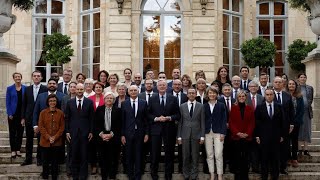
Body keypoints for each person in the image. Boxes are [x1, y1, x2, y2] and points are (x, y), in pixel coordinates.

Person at [148, 80, 180, 180]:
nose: (162, 87)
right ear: (157, 87)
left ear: (167, 87)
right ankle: (154, 174)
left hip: (169, 129)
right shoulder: (152, 98)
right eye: (160, 85)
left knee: (169, 153)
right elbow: (148, 114)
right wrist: (156, 119)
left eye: (164, 85)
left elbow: (178, 114)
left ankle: (168, 175)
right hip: (156, 130)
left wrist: (169, 118)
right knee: (154, 153)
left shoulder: (173, 98)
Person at [33, 78, 65, 166]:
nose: (52, 85)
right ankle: (41, 161)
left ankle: (58, 161)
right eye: (50, 83)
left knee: (57, 147)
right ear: (47, 85)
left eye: (54, 83)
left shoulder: (62, 96)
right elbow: (36, 110)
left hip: (57, 126)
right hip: (43, 125)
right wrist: (35, 125)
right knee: (42, 145)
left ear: (57, 85)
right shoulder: (41, 96)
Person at [65, 83, 94, 180]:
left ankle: (83, 176)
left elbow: (91, 118)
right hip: (73, 133)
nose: (79, 91)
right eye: (78, 89)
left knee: (84, 154)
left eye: (81, 89)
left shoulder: (89, 102)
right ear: (75, 90)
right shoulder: (69, 102)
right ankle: (75, 175)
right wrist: (67, 131)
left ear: (84, 90)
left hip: (85, 133)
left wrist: (91, 131)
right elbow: (67, 118)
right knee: (74, 154)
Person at [255, 88, 286, 180]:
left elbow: (283, 122)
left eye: (271, 94)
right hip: (264, 137)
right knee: (264, 159)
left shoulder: (279, 106)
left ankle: (275, 177)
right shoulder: (260, 107)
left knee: (275, 159)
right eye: (267, 94)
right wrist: (257, 135)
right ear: (265, 95)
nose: (269, 96)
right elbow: (256, 122)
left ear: (273, 95)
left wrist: (282, 135)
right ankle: (264, 177)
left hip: (276, 137)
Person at [121, 85, 149, 180]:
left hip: (140, 133)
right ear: (128, 92)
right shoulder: (124, 103)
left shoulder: (143, 103)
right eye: (131, 90)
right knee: (128, 155)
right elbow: (123, 121)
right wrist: (122, 135)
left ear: (138, 92)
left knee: (139, 155)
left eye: (135, 90)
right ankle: (130, 175)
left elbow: (146, 120)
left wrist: (146, 133)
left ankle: (138, 175)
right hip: (128, 133)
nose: (133, 92)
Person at [177, 88, 205, 180]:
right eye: (190, 93)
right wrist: (179, 136)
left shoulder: (201, 106)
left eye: (193, 93)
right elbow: (180, 122)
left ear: (196, 94)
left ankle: (194, 174)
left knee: (195, 155)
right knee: (185, 155)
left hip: (196, 134)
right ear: (187, 95)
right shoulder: (182, 106)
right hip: (184, 134)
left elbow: (202, 122)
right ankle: (186, 174)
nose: (192, 94)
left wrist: (202, 136)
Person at [21, 70, 47, 166]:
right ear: (32, 77)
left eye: (38, 76)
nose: (36, 77)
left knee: (41, 139)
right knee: (29, 139)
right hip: (29, 118)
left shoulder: (45, 89)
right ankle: (28, 159)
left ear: (41, 78)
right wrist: (23, 117)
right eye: (35, 76)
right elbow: (24, 104)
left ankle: (39, 159)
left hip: (41, 118)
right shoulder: (27, 89)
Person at [95, 92, 122, 180]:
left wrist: (111, 134)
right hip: (101, 137)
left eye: (111, 98)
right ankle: (104, 176)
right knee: (102, 158)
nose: (109, 100)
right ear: (104, 99)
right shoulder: (99, 109)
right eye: (107, 98)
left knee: (113, 158)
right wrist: (102, 134)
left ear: (114, 100)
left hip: (113, 137)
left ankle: (112, 176)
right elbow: (96, 123)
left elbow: (119, 124)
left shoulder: (118, 110)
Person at [229, 90, 255, 180]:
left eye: (243, 96)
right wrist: (237, 133)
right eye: (239, 96)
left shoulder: (250, 108)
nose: (241, 98)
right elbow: (231, 123)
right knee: (237, 157)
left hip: (247, 138)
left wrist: (247, 133)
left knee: (245, 157)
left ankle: (245, 176)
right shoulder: (233, 108)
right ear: (237, 98)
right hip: (236, 137)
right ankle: (237, 176)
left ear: (246, 97)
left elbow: (252, 123)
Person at [38, 94, 65, 180]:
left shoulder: (60, 113)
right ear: (48, 102)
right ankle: (45, 177)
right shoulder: (43, 113)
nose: (52, 102)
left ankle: (54, 177)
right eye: (50, 101)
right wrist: (48, 137)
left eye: (54, 101)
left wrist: (55, 137)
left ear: (56, 102)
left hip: (56, 142)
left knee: (55, 162)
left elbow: (62, 127)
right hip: (45, 142)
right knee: (45, 162)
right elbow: (41, 127)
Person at [204, 87, 227, 180]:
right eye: (210, 93)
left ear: (217, 94)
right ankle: (212, 174)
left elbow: (224, 119)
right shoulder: (204, 106)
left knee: (218, 154)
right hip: (207, 132)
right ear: (207, 94)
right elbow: (203, 120)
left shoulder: (221, 105)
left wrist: (223, 133)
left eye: (214, 93)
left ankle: (220, 174)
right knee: (209, 154)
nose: (212, 95)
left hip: (218, 132)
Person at [273, 76, 294, 175]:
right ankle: (274, 167)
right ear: (273, 83)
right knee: (273, 148)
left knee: (284, 147)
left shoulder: (287, 95)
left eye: (280, 82)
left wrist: (292, 124)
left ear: (283, 84)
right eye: (276, 82)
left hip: (285, 126)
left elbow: (291, 111)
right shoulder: (269, 94)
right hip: (272, 126)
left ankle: (283, 167)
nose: (278, 84)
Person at [6, 72, 26, 159]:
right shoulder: (10, 88)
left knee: (20, 132)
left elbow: (26, 103)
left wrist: (24, 116)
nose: (18, 78)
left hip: (21, 114)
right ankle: (13, 150)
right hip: (12, 115)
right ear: (13, 78)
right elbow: (8, 102)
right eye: (16, 77)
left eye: (19, 77)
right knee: (12, 133)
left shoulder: (25, 88)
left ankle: (18, 149)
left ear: (21, 78)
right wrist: (9, 113)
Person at [246, 81, 264, 173]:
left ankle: (256, 166)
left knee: (257, 148)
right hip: (246, 126)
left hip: (258, 127)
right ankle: (248, 165)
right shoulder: (244, 97)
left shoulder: (262, 98)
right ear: (248, 88)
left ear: (258, 88)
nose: (253, 88)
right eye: (251, 86)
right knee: (247, 148)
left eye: (255, 86)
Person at [218, 83, 236, 173]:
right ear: (222, 91)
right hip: (222, 128)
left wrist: (231, 124)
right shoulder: (219, 100)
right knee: (223, 149)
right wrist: (224, 123)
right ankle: (223, 168)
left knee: (233, 149)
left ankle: (232, 168)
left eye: (229, 90)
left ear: (231, 91)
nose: (227, 91)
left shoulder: (235, 100)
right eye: (225, 90)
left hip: (233, 129)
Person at [287, 79, 304, 167]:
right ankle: (288, 158)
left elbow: (301, 110)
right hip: (286, 123)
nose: (291, 85)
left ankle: (294, 158)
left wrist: (294, 122)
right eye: (289, 84)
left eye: (293, 84)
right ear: (287, 85)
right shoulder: (285, 95)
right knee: (286, 141)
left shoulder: (299, 96)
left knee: (294, 141)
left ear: (295, 86)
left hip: (296, 123)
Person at [61, 81, 77, 176]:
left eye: (74, 87)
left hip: (79, 127)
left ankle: (76, 167)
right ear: (69, 88)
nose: (73, 88)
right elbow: (63, 113)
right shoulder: (64, 99)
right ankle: (69, 169)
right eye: (71, 87)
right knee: (69, 149)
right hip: (68, 127)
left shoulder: (82, 98)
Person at [298, 73, 314, 156]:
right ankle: (300, 149)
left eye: (304, 77)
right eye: (301, 77)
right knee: (300, 130)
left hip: (307, 111)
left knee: (307, 130)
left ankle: (306, 149)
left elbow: (310, 99)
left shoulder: (310, 88)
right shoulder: (296, 88)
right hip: (298, 112)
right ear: (298, 79)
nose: (303, 78)